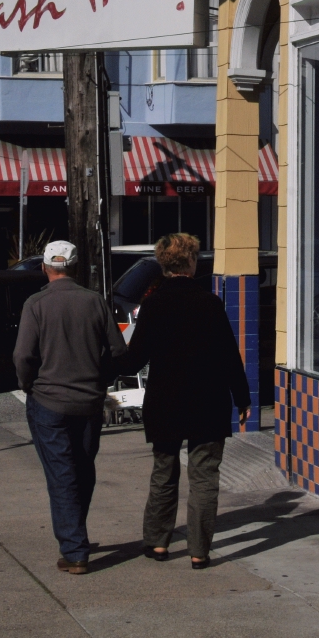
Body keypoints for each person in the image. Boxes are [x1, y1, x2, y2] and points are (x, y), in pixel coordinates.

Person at [113, 233, 250, 569]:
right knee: (204, 476)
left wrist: (103, 362)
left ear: (164, 264)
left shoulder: (154, 303)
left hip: (166, 401)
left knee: (164, 470)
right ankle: (199, 551)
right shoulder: (209, 303)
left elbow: (134, 359)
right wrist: (243, 396)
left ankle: (158, 543)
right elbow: (229, 356)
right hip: (208, 401)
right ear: (191, 262)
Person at [13, 240, 127, 576]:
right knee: (82, 468)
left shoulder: (35, 304)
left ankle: (75, 549)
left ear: (45, 267)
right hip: (88, 402)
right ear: (75, 267)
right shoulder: (95, 302)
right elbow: (118, 353)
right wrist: (100, 379)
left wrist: (28, 383)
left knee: (62, 475)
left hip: (48, 401)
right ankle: (75, 532)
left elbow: (23, 356)